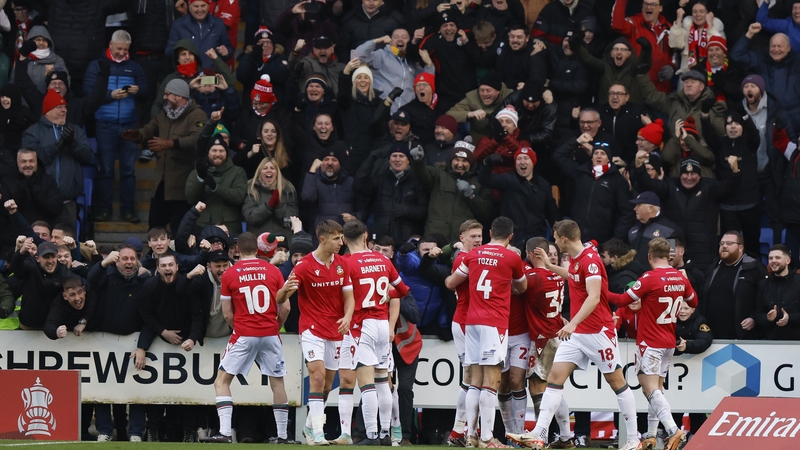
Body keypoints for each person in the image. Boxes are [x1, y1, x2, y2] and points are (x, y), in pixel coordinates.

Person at [506, 219, 640, 450]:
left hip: (598, 331)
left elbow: (594, 296)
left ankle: (633, 439)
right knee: (554, 380)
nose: (555, 243)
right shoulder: (579, 259)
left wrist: (573, 323)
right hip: (577, 335)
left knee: (617, 382)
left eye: (556, 238)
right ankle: (539, 433)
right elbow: (574, 278)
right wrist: (549, 265)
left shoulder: (591, 260)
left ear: (564, 238)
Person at [199, 232, 297, 443]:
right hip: (270, 334)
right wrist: (274, 326)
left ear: (237, 250)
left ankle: (225, 432)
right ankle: (282, 436)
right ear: (258, 249)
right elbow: (286, 307)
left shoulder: (230, 274)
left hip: (244, 333)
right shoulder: (274, 271)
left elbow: (226, 313)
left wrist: (241, 329)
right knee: (277, 383)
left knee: (222, 381)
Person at [607, 238, 697, 450]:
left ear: (649, 256)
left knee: (649, 388)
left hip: (651, 341)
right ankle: (651, 434)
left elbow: (621, 301)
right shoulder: (680, 277)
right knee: (657, 388)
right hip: (668, 340)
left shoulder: (648, 278)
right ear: (670, 256)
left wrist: (600, 289)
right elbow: (693, 301)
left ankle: (673, 430)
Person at [445, 216, 527, 448]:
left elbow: (451, 283)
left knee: (474, 381)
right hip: (494, 323)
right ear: (510, 236)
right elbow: (522, 287)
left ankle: (470, 435)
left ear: (490, 233)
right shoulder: (512, 257)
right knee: (491, 381)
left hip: (471, 322)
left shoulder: (471, 256)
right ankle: (487, 438)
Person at [340, 220, 409, 445]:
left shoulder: (346, 262)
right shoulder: (383, 260)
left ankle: (370, 435)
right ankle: (385, 433)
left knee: (366, 382)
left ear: (343, 239)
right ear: (366, 236)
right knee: (382, 380)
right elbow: (402, 290)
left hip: (362, 324)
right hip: (382, 323)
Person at [292, 220, 354, 445]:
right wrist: (283, 293)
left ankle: (309, 426)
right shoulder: (303, 265)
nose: (341, 242)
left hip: (335, 329)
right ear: (322, 239)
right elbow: (282, 296)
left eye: (342, 237)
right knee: (316, 377)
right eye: (337, 238)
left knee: (328, 385)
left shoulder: (342, 264)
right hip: (311, 329)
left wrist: (347, 317)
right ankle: (318, 432)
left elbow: (349, 297)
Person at [121, 78, 207, 233]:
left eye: (168, 94)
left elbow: (197, 139)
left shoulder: (197, 115)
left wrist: (170, 143)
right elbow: (149, 129)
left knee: (179, 231)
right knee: (154, 228)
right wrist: (138, 135)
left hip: (182, 185)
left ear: (179, 96)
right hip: (161, 184)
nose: (164, 97)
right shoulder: (164, 114)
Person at [83, 30, 149, 223]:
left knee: (128, 170)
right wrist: (109, 95)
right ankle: (105, 209)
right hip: (105, 124)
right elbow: (88, 93)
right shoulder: (97, 66)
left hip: (129, 124)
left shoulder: (135, 67)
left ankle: (128, 210)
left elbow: (146, 95)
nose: (122, 52)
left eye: (125, 49)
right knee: (106, 170)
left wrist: (138, 91)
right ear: (110, 45)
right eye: (119, 48)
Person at [634, 155, 742, 271]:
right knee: (671, 276)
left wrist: (735, 172)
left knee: (701, 281)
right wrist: (639, 167)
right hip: (673, 243)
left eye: (693, 173)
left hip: (703, 247)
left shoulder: (709, 187)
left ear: (700, 175)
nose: (689, 177)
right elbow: (649, 185)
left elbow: (729, 188)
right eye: (685, 173)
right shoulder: (670, 186)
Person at [520, 237, 573, 448]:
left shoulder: (531, 277)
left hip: (542, 338)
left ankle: (539, 435)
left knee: (538, 386)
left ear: (532, 253)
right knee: (555, 388)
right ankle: (566, 437)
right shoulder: (558, 276)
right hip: (556, 333)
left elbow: (514, 287)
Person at [21, 89, 93, 225]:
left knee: (67, 242)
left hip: (68, 201)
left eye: (65, 107)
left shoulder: (75, 131)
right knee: (41, 242)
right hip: (39, 203)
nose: (64, 110)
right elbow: (33, 159)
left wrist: (72, 144)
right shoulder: (32, 132)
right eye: (59, 107)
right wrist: (57, 147)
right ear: (47, 111)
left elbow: (88, 157)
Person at [445, 219, 484, 447]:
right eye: (472, 237)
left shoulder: (471, 257)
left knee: (470, 378)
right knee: (471, 377)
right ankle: (465, 431)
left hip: (474, 323)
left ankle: (459, 431)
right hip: (465, 322)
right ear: (462, 238)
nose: (477, 241)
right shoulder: (463, 259)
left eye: (479, 236)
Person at [409, 139, 493, 242]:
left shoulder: (479, 182)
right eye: (457, 159)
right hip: (435, 236)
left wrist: (471, 195)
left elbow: (486, 213)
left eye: (464, 161)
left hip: (463, 240)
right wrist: (418, 161)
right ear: (451, 160)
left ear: (471, 163)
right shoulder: (439, 175)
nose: (460, 164)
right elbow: (422, 175)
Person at [553, 141, 634, 245]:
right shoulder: (581, 173)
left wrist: (616, 239)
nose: (599, 156)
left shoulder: (618, 181)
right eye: (596, 153)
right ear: (591, 157)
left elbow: (626, 213)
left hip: (602, 240)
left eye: (603, 153)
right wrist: (577, 141)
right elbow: (558, 156)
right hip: (576, 237)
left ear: (609, 158)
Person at [479, 147, 561, 249]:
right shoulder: (508, 180)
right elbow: (484, 179)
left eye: (526, 158)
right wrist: (488, 163)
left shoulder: (543, 185)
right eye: (519, 159)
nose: (522, 162)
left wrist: (559, 234)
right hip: (512, 239)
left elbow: (552, 213)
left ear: (533, 162)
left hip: (535, 239)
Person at [699, 231, 767, 340]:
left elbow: (766, 298)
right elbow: (702, 297)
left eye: (729, 243)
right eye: (722, 243)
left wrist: (754, 318)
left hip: (742, 335)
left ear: (741, 248)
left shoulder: (754, 268)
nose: (724, 246)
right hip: (712, 335)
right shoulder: (713, 268)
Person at [353, 28, 434, 114]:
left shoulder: (412, 61)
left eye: (404, 37)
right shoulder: (381, 55)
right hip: (382, 113)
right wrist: (375, 41)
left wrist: (429, 64)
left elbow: (426, 83)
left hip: (405, 116)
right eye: (396, 37)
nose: (400, 39)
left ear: (409, 42)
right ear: (390, 41)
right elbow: (356, 56)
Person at [186, 136, 248, 235]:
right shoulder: (196, 173)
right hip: (203, 226)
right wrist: (200, 179)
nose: (218, 154)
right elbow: (190, 199)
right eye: (214, 150)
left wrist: (215, 187)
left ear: (226, 153)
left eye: (221, 151)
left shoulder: (238, 172)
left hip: (230, 227)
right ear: (208, 152)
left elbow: (238, 197)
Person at [612, 0, 675, 94]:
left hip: (661, 90)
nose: (648, 7)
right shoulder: (634, 23)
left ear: (660, 8)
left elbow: (674, 54)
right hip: (637, 88)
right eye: (646, 4)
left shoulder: (669, 28)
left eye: (653, 4)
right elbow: (617, 24)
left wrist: (672, 67)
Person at [0, 148, 63, 226]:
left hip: (42, 232)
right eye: (24, 161)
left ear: (36, 162)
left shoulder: (48, 181)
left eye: (31, 161)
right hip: (14, 232)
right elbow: (2, 212)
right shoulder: (7, 182)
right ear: (17, 163)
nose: (28, 165)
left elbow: (57, 208)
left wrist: (36, 195)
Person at [446, 71, 514, 143]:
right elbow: (449, 114)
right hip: (478, 141)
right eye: (481, 90)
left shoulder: (510, 96)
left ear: (498, 91)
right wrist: (470, 114)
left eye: (488, 90)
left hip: (504, 141)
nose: (484, 94)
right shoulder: (472, 97)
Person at [242, 157, 299, 242]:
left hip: (283, 243)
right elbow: (251, 218)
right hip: (259, 242)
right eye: (265, 168)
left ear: (277, 172)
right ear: (259, 172)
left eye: (272, 168)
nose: (269, 171)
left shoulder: (288, 189)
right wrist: (268, 207)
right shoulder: (251, 188)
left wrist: (279, 206)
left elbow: (291, 220)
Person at [751, 244, 800, 340]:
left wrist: (789, 318)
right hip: (771, 343)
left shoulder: (798, 282)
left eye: (777, 258)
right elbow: (757, 314)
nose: (773, 261)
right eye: (770, 258)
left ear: (788, 260)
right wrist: (768, 319)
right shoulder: (763, 284)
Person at [166, 0, 233, 68]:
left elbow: (229, 48)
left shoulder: (218, 23)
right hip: (187, 74)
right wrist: (177, 49)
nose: (200, 9)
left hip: (212, 73)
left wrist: (226, 52)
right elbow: (168, 52)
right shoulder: (178, 25)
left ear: (208, 6)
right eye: (196, 6)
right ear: (190, 7)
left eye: (203, 6)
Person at [628, 191, 683, 268]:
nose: (635, 208)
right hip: (633, 277)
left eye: (638, 205)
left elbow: (672, 259)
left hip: (657, 277)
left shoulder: (669, 231)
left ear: (650, 208)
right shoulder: (633, 229)